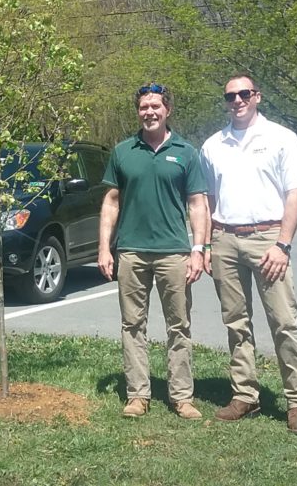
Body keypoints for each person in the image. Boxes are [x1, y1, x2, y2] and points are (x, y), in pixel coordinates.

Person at [199, 72, 297, 436]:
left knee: (283, 321)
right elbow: (206, 199)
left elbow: (295, 194)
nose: (237, 101)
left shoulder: (282, 138)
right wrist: (205, 242)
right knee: (236, 322)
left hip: (268, 237)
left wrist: (283, 244)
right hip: (224, 238)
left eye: (243, 94)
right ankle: (245, 394)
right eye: (230, 96)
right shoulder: (212, 145)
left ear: (257, 96)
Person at [98, 82, 209, 420]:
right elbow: (111, 203)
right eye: (144, 107)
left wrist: (198, 249)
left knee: (179, 326)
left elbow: (197, 204)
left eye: (155, 106)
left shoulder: (186, 153)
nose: (150, 112)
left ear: (167, 110)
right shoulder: (123, 151)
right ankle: (137, 395)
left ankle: (181, 396)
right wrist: (105, 248)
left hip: (174, 252)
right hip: (131, 252)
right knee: (132, 325)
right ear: (139, 112)